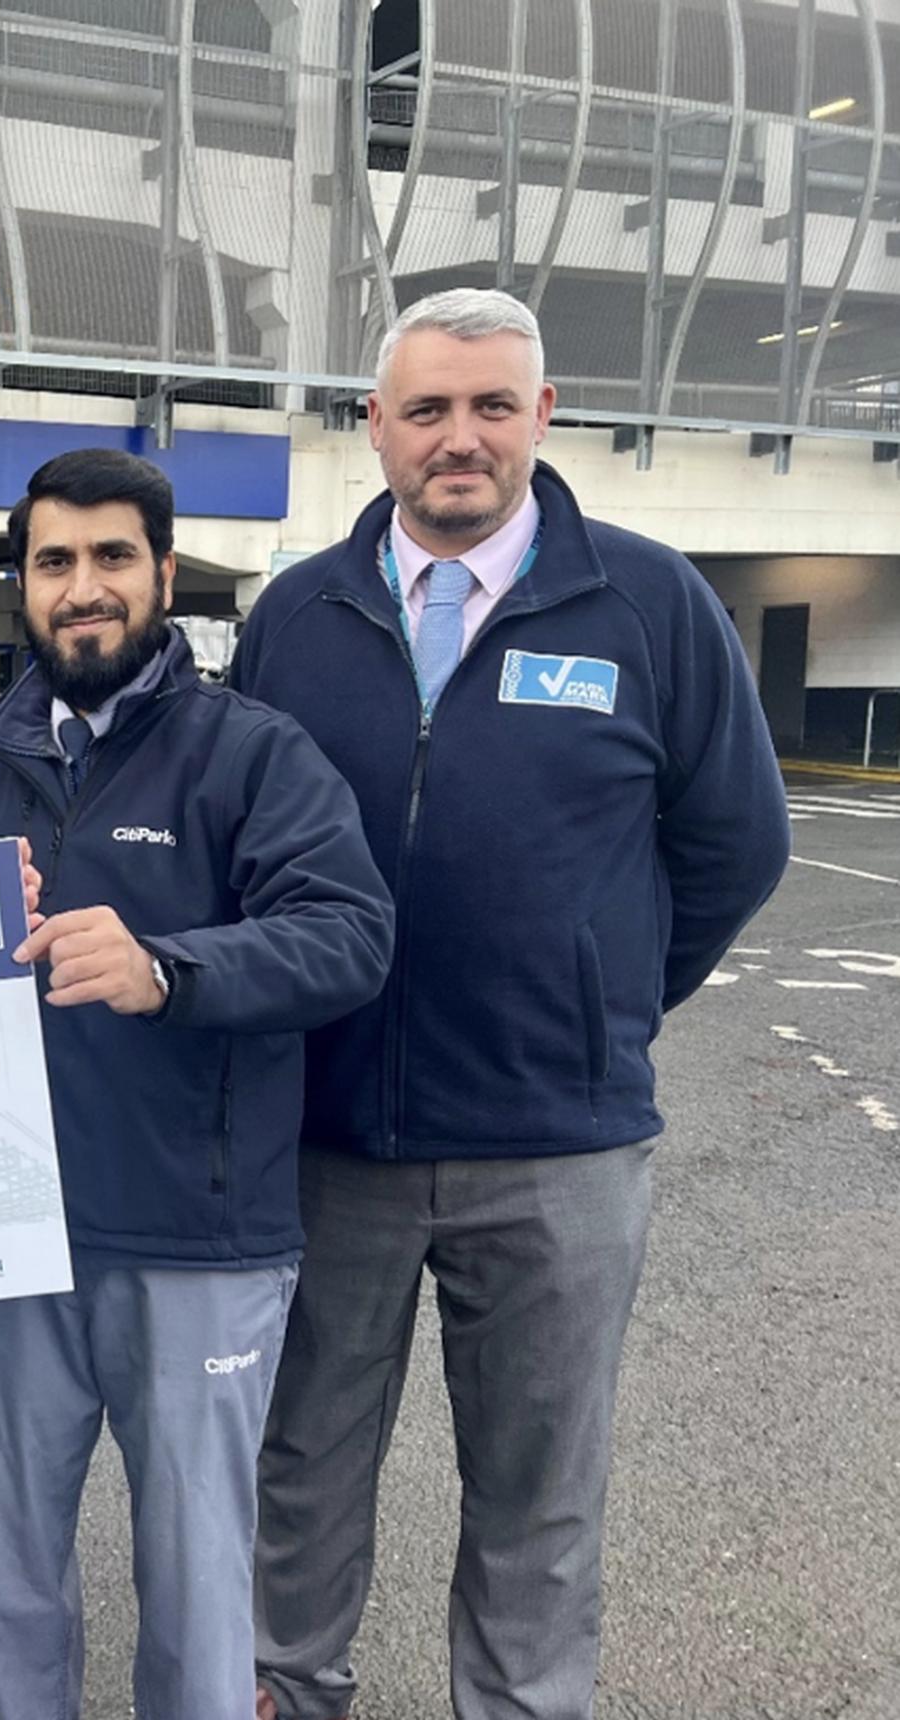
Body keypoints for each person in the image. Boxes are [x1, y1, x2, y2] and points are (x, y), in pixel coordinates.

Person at [233, 288, 789, 1720]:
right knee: (299, 1462)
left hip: (558, 1149)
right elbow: (235, 849)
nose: (460, 438)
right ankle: (286, 1697)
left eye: (493, 406)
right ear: (377, 428)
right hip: (327, 1139)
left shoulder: (650, 603)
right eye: (427, 409)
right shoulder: (297, 615)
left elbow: (738, 843)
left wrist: (606, 1005)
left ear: (545, 416)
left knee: (540, 1491)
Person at [0, 447, 396, 1720]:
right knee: (12, 1571)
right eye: (54, 561)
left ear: (162, 573)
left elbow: (349, 934)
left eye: (111, 558)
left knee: (196, 1591)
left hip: (196, 1240)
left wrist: (165, 968)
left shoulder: (250, 752)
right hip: (13, 1237)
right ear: (22, 583)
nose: (83, 587)